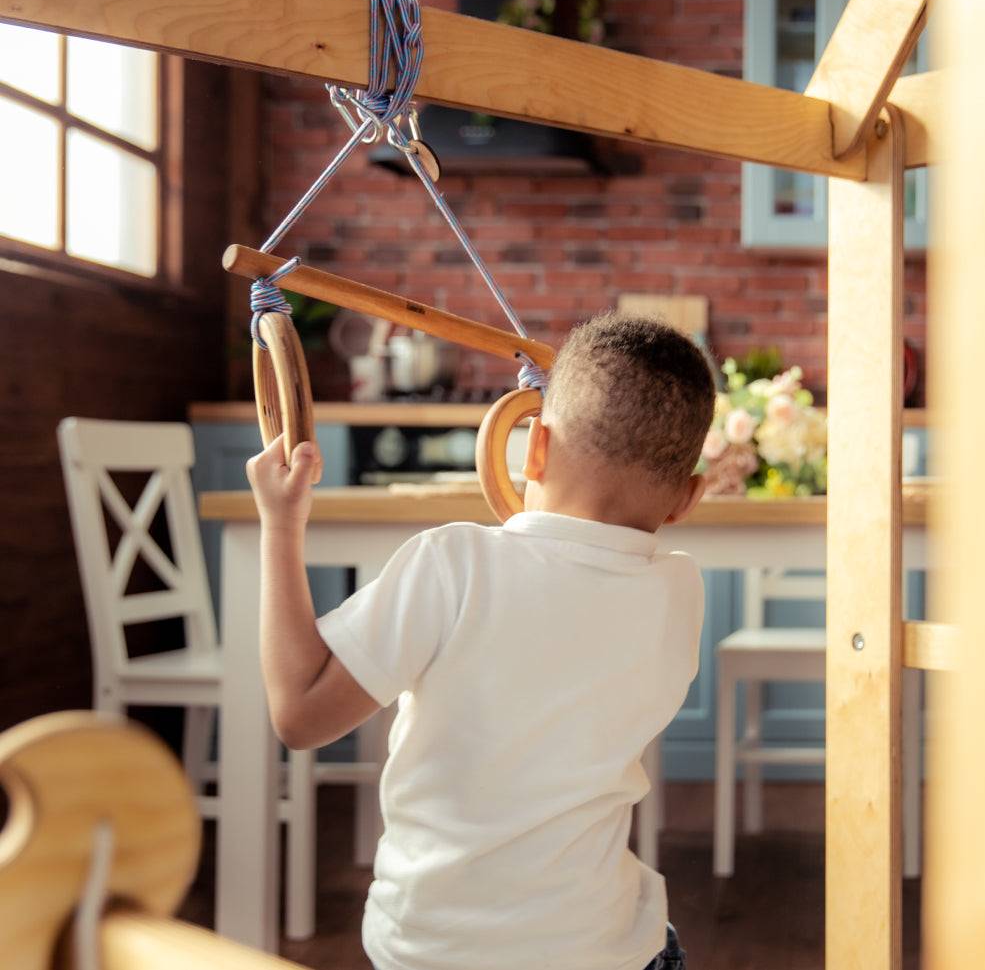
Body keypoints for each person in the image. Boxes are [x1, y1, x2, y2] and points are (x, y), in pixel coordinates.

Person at [247, 312, 716, 970]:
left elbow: (298, 714)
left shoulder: (450, 562)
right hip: (599, 950)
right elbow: (565, 575)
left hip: (433, 951)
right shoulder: (679, 591)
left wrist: (280, 522)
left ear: (533, 449)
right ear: (687, 499)